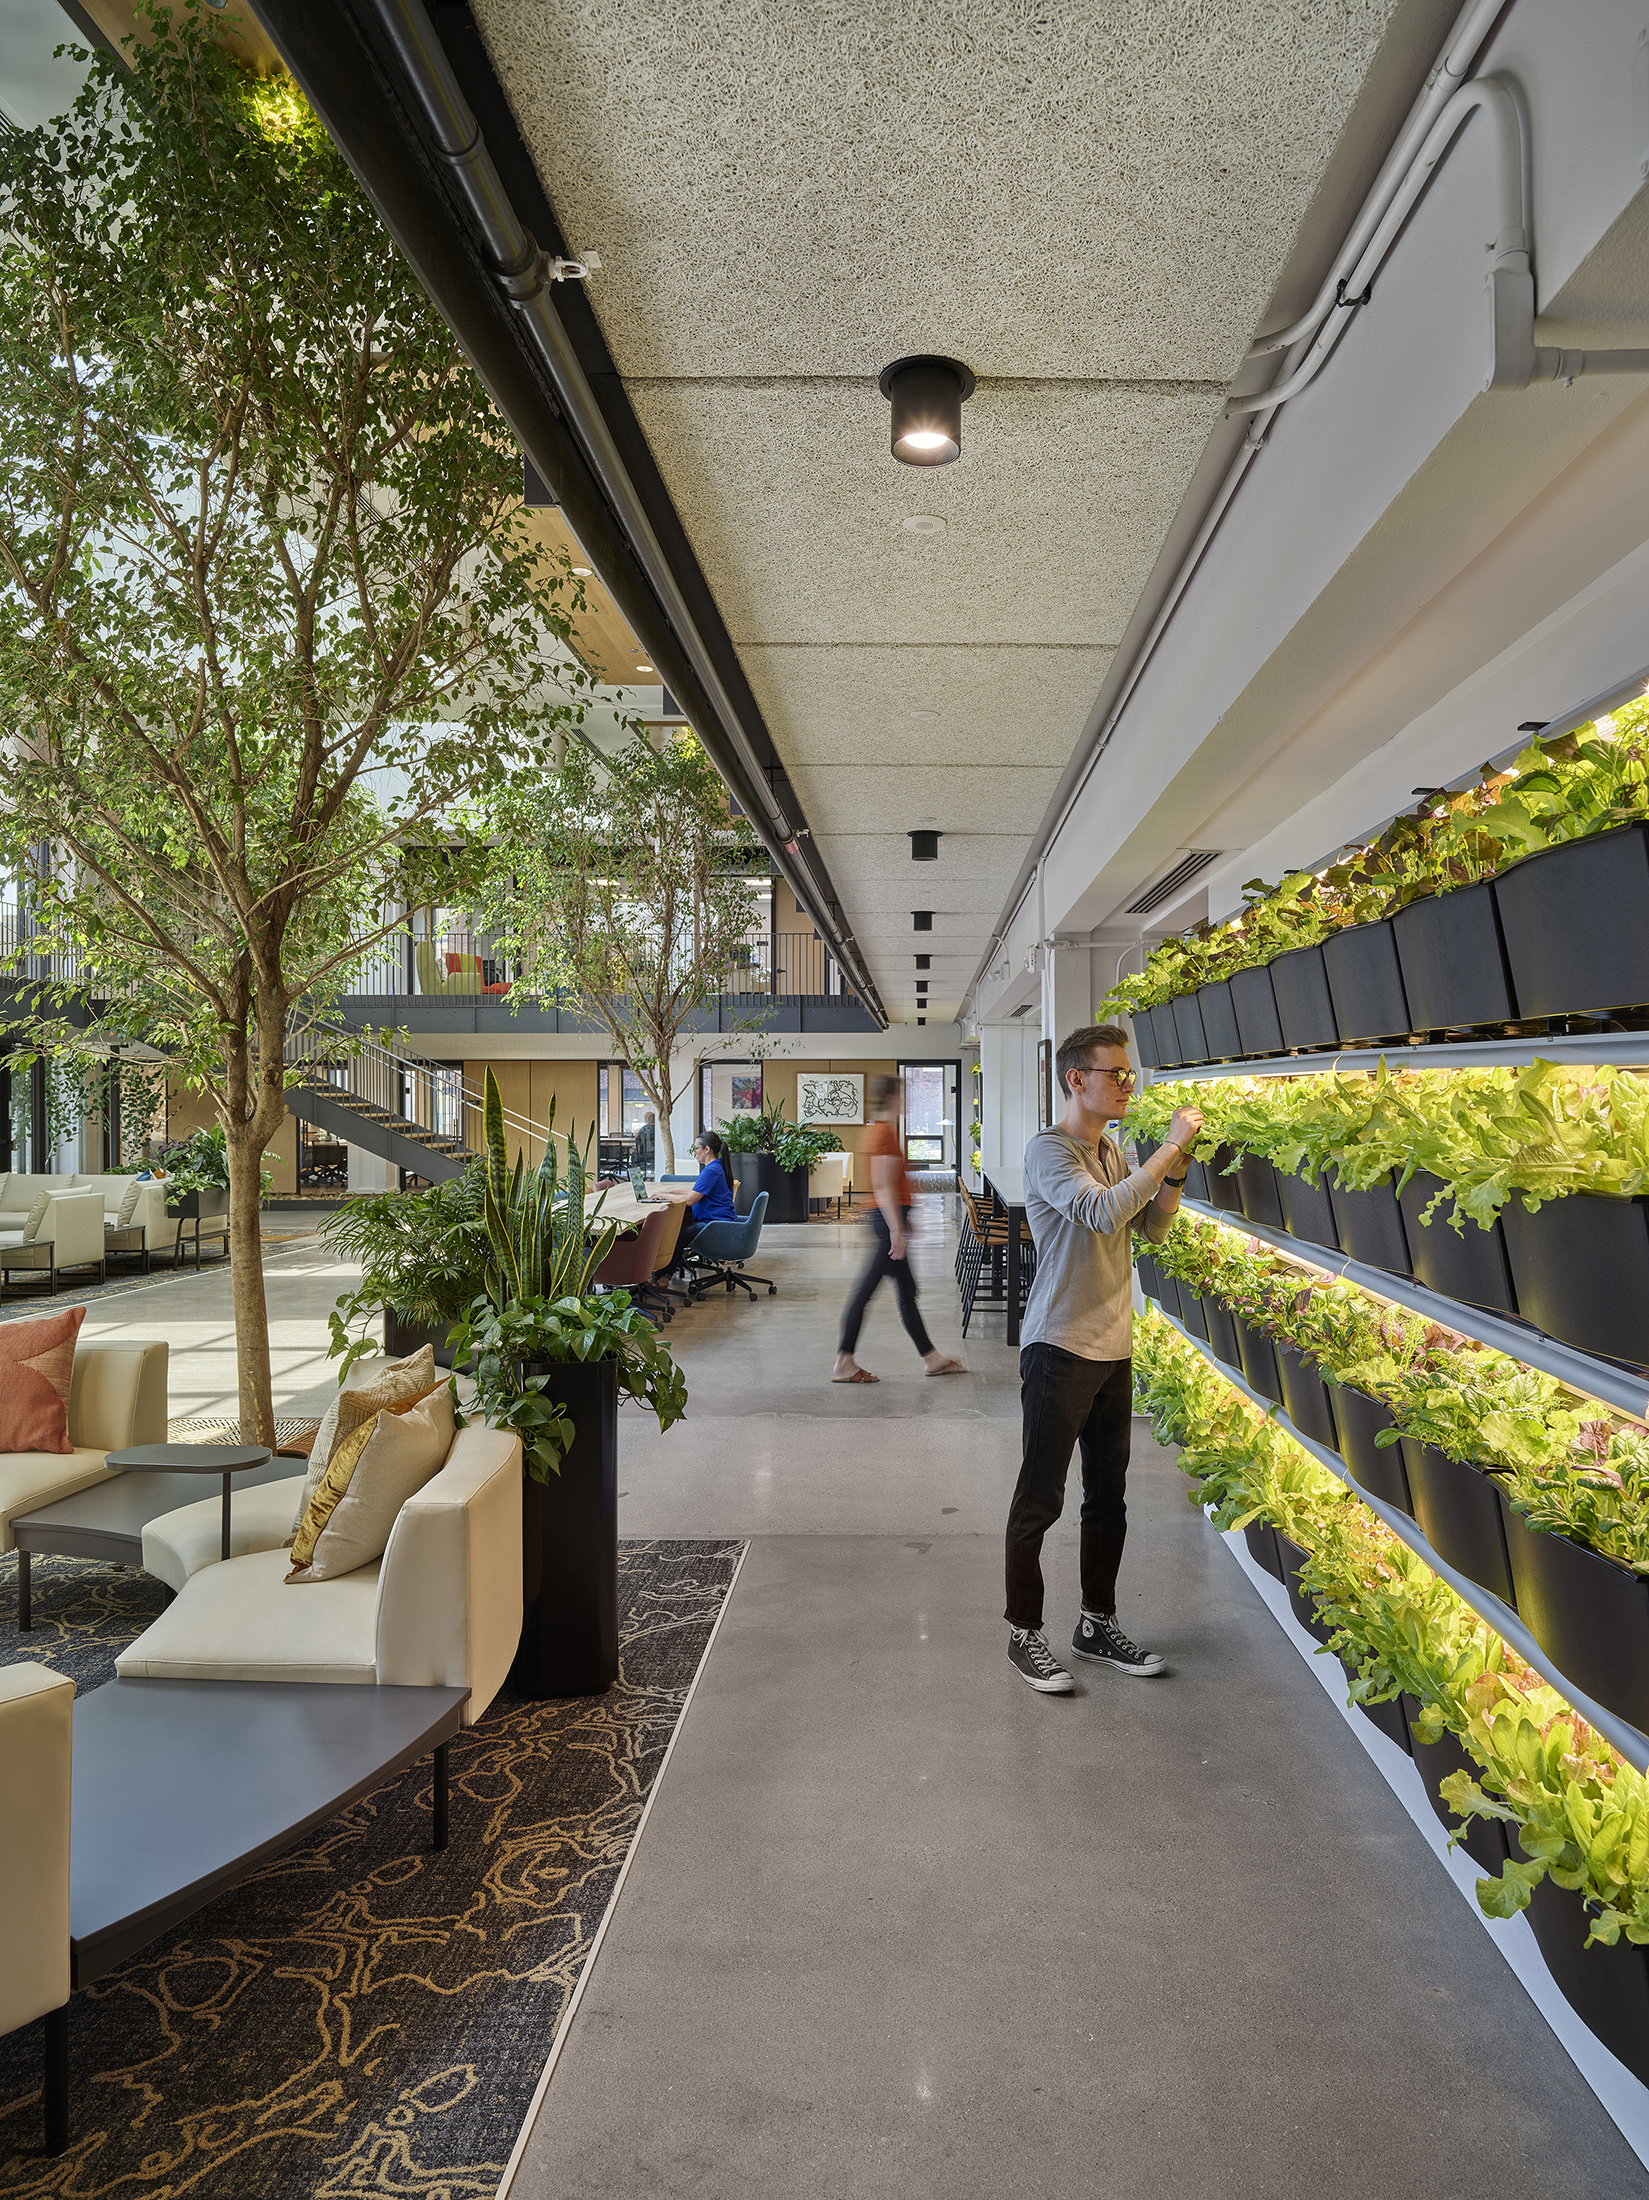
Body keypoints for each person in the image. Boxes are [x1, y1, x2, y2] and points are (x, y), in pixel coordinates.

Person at [1003, 1024, 1204, 1693]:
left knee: (1107, 1499)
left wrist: (1172, 1169)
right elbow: (1101, 1214)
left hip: (1113, 1348)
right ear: (1075, 1080)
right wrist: (1169, 1145)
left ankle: (1095, 1622)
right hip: (1058, 1346)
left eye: (1127, 1074)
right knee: (1040, 1498)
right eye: (1113, 1074)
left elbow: (1149, 1226)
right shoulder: (1048, 1153)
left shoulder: (1114, 1151)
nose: (1126, 1085)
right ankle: (1023, 1633)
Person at [832, 1074, 965, 1384]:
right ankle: (843, 1361)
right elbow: (882, 1186)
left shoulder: (882, 1131)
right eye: (901, 1094)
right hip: (884, 1223)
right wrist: (896, 1230)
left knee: (907, 1292)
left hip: (889, 1220)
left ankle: (932, 1359)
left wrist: (904, 1220)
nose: (904, 1100)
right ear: (891, 1097)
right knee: (865, 1294)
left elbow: (892, 1185)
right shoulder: (882, 1134)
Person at [659, 1129, 738, 1267]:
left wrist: (664, 1196)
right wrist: (672, 1192)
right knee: (679, 1233)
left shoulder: (711, 1171)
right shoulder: (718, 1166)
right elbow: (694, 1193)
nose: (694, 1152)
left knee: (674, 1238)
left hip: (714, 1225)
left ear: (707, 1149)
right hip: (721, 1222)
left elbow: (690, 1200)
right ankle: (662, 1277)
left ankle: (661, 1277)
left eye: (696, 1148)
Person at [632, 1109, 656, 1178]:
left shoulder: (643, 1129)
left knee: (634, 1155)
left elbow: (638, 1140)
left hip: (644, 1154)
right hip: (656, 1154)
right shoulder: (659, 1129)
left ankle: (636, 1179)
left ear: (648, 1120)